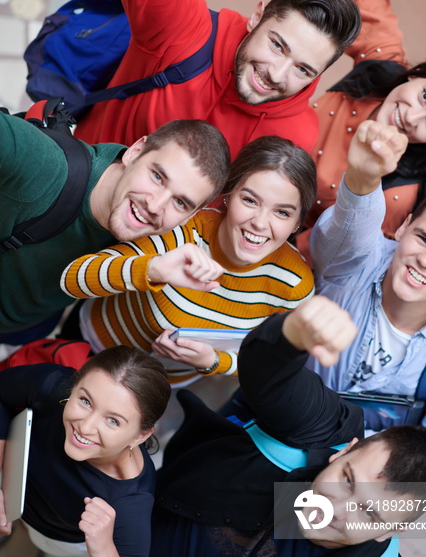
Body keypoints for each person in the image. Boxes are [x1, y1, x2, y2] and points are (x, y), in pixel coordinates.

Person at [148, 296, 426, 557]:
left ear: (391, 531)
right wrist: (291, 334)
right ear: (344, 451)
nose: (336, 510)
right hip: (137, 527)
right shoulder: (327, 429)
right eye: (347, 480)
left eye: (369, 513)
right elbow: (272, 378)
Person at [73, 0, 361, 159]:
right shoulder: (186, 29)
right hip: (72, 191)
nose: (276, 73)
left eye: (303, 70)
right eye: (277, 45)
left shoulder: (295, 136)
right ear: (256, 17)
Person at [60, 137, 316, 386]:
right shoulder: (182, 228)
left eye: (282, 212)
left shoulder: (294, 284)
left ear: (297, 223)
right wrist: (153, 268)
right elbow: (72, 279)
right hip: (89, 345)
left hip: (155, 384)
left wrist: (214, 361)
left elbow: (274, 361)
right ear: (228, 195)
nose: (260, 223)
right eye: (249, 200)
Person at [306, 118, 426, 464]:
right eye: (423, 238)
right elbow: (353, 227)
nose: (425, 261)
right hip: (266, 423)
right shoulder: (358, 260)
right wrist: (363, 179)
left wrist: (355, 459)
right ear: (404, 226)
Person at [296, 0, 426, 255]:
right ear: (417, 74)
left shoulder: (399, 195)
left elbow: (332, 262)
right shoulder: (386, 63)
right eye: (425, 96)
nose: (411, 116)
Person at [0, 114, 230, 345]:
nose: (154, 205)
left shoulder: (166, 240)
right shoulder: (45, 165)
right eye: (157, 177)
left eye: (180, 202)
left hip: (31, 323)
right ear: (135, 152)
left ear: (190, 216)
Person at [0, 345, 171, 557]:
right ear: (75, 385)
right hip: (14, 478)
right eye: (85, 401)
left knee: (35, 537)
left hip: (54, 533)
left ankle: (25, 537)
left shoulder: (131, 501)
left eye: (113, 420)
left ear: (140, 435)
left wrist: (104, 554)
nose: (85, 427)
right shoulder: (56, 386)